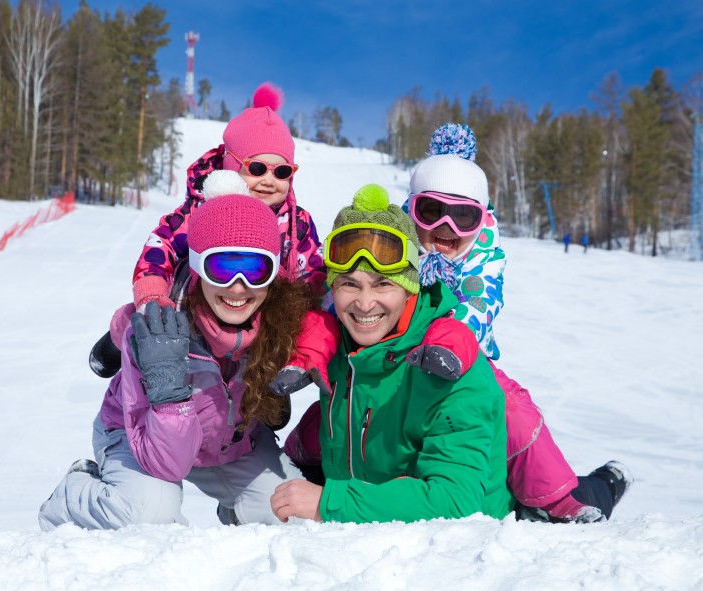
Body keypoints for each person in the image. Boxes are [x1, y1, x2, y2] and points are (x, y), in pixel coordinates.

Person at [39, 187, 314, 530]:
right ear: (197, 266)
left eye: (255, 269)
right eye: (222, 266)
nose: (238, 287)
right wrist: (168, 390)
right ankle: (74, 496)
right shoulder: (156, 329)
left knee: (293, 517)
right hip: (143, 439)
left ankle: (239, 513)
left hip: (231, 445)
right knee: (149, 517)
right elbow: (166, 462)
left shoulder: (279, 320)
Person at [402, 123, 630, 522]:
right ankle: (303, 458)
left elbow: (479, 303)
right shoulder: (396, 245)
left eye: (463, 217)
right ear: (412, 209)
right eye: (432, 211)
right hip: (396, 359)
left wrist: (448, 345)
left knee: (512, 410)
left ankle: (560, 500)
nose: (445, 227)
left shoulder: (482, 258)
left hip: (462, 362)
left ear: (481, 220)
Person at [270, 185, 514, 524]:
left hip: (459, 558)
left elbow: (456, 502)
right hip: (366, 536)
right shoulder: (342, 347)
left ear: (410, 287)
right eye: (349, 284)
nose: (365, 304)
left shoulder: (449, 365)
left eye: (383, 284)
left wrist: (329, 502)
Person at [89, 81, 327, 380]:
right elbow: (160, 245)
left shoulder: (296, 221)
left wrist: (313, 298)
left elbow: (313, 268)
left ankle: (264, 396)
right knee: (148, 317)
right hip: (196, 299)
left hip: (256, 303)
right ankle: (118, 339)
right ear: (231, 166)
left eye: (281, 172)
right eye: (257, 168)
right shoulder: (203, 210)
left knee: (272, 337)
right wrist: (152, 293)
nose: (269, 180)